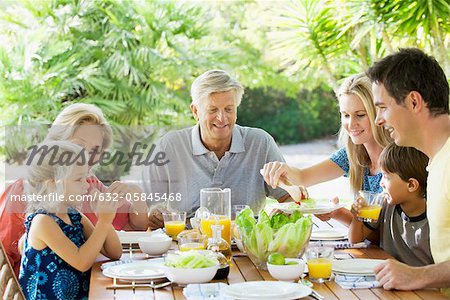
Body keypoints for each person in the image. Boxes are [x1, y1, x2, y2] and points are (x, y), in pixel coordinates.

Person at [0, 103, 148, 276]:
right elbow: (4, 256)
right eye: (79, 144)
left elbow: (134, 226)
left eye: (95, 150)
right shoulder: (25, 191)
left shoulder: (88, 187)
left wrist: (135, 195)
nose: (86, 155)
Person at [143, 70, 292, 229]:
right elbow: (147, 207)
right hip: (187, 246)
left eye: (229, 109)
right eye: (213, 110)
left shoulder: (261, 143)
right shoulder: (169, 146)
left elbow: (290, 197)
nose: (222, 118)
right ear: (195, 111)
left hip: (245, 246)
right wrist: (153, 214)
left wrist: (285, 212)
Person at [367, 48, 450, 293]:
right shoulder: (436, 161)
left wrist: (419, 275)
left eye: (383, 107)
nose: (378, 120)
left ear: (414, 101)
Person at [262, 73, 392, 225]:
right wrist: (282, 171)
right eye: (346, 115)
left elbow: (382, 232)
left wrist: (339, 212)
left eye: (360, 115)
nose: (351, 124)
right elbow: (304, 177)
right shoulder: (351, 155)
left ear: (378, 114)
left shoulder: (397, 160)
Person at [19, 141, 122, 300]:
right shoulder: (43, 222)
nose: (86, 185)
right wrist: (103, 221)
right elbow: (82, 262)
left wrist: (104, 219)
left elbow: (114, 252)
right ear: (52, 184)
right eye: (78, 179)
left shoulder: (74, 216)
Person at [349, 143, 433, 266]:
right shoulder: (384, 204)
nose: (381, 183)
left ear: (411, 185)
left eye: (386, 177)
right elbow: (355, 240)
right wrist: (357, 216)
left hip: (421, 282)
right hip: (388, 275)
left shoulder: (432, 219)